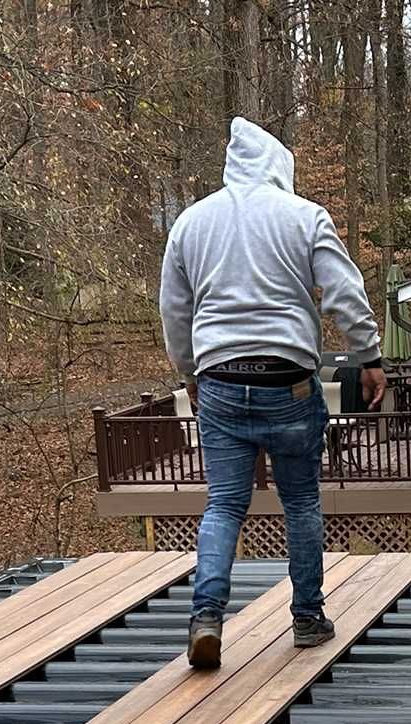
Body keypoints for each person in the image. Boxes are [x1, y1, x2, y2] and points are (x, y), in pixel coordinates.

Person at [159, 117, 387, 670]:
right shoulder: (304, 216)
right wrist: (369, 355)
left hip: (220, 381)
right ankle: (308, 617)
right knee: (302, 501)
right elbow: (343, 293)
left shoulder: (191, 224)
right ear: (278, 166)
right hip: (288, 382)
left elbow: (175, 308)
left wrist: (190, 367)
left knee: (225, 504)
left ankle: (207, 616)